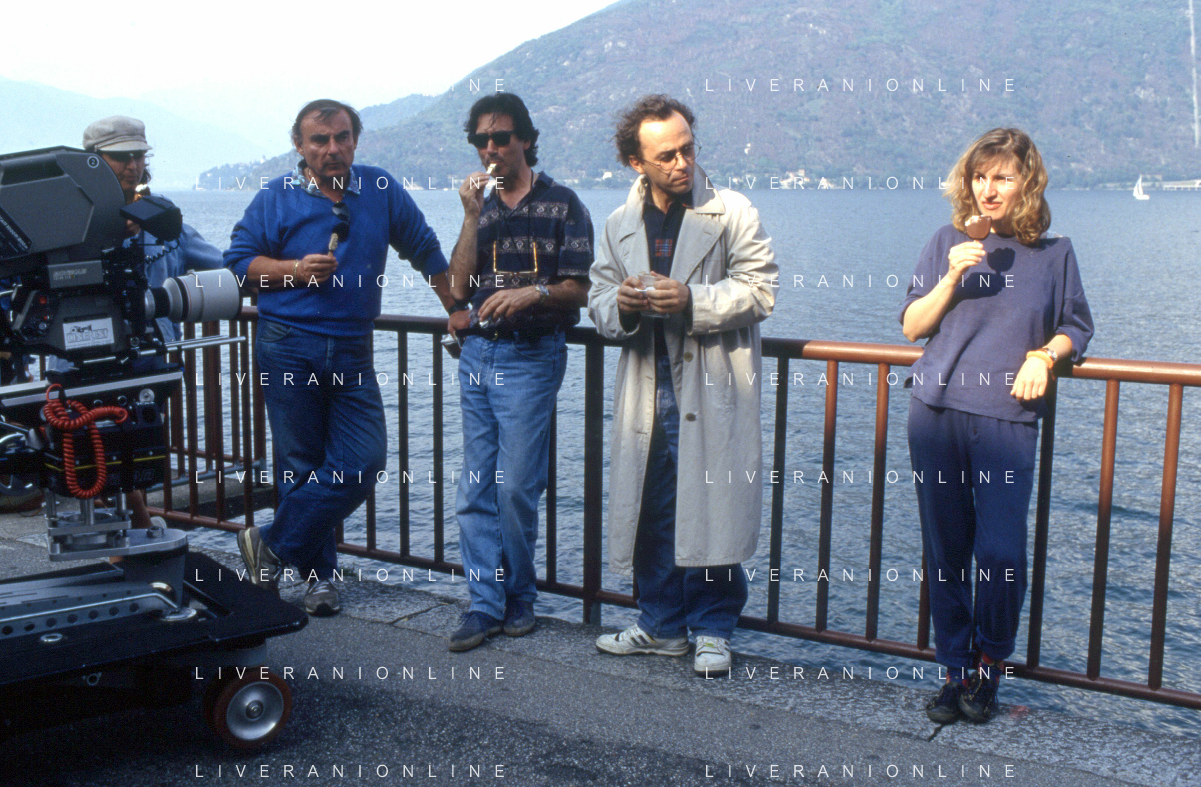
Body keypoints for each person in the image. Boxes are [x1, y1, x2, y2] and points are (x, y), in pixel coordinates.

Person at [225, 99, 456, 616]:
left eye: (342, 137)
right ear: (299, 145)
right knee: (300, 465)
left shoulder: (379, 188)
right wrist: (293, 271)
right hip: (288, 341)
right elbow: (238, 264)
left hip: (352, 344)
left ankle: (268, 545)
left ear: (355, 139)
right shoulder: (275, 196)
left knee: (363, 461)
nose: (333, 149)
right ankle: (318, 580)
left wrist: (456, 309)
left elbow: (424, 248)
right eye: (320, 140)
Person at [900, 128, 1093, 723]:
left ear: (1027, 183)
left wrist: (1044, 356)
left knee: (1002, 554)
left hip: (1008, 418)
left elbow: (1076, 326)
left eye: (1003, 178)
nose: (989, 189)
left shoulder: (1055, 253)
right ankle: (954, 672)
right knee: (945, 550)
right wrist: (950, 278)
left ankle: (989, 666)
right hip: (936, 412)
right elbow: (912, 326)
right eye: (980, 177)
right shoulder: (947, 241)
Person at [587, 95, 776, 676]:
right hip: (649, 385)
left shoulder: (733, 211)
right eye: (666, 155)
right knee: (653, 506)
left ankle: (714, 629)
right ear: (635, 162)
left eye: (688, 148)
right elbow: (598, 298)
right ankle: (662, 625)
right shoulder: (619, 224)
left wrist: (692, 299)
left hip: (710, 383)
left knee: (712, 503)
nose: (682, 163)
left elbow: (760, 290)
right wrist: (621, 304)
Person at [444, 93, 593, 651]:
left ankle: (520, 595)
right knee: (474, 488)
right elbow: (459, 289)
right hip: (478, 355)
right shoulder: (481, 210)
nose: (490, 149)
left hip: (531, 357)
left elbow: (581, 288)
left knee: (516, 490)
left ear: (526, 139)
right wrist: (469, 217)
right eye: (480, 140)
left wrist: (534, 293)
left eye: (501, 138)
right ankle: (484, 604)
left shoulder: (564, 204)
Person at [70, 116, 224, 528]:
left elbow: (221, 264)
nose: (133, 166)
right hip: (86, 359)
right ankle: (133, 522)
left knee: (139, 445)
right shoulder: (70, 221)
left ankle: (131, 525)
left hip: (150, 357)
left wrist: (280, 272)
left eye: (138, 155)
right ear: (93, 162)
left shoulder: (162, 217)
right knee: (95, 449)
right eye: (121, 157)